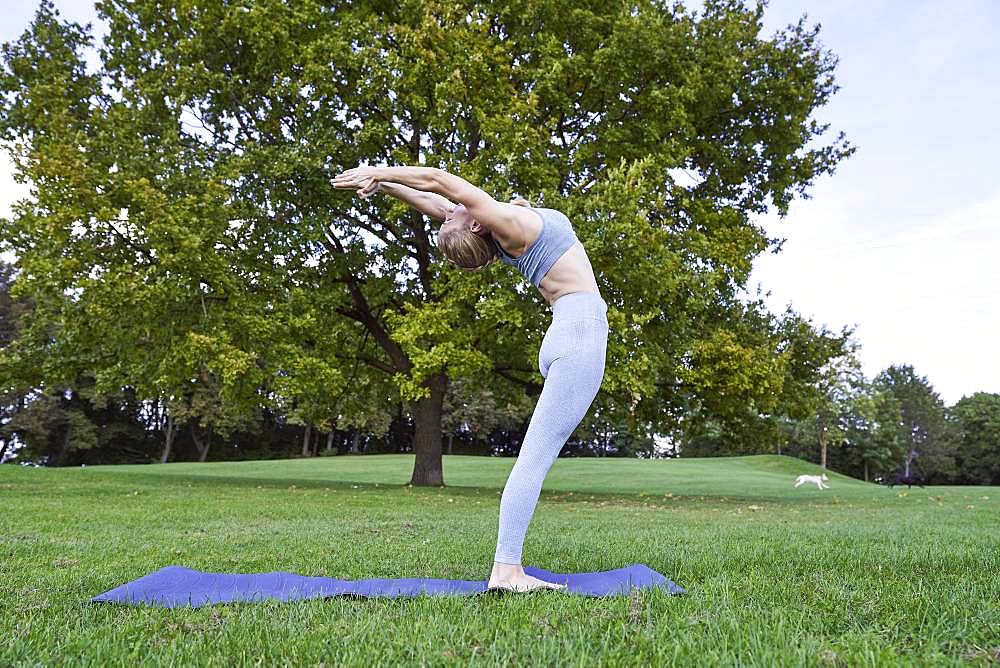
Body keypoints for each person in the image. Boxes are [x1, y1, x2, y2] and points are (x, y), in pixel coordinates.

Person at [331, 165, 608, 592]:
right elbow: (442, 183)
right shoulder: (508, 223)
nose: (452, 211)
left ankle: (507, 568)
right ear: (478, 221)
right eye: (459, 214)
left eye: (453, 216)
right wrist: (377, 171)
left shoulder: (496, 226)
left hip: (563, 334)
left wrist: (384, 185)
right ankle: (506, 570)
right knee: (533, 460)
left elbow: (437, 203)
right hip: (580, 334)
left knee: (534, 457)